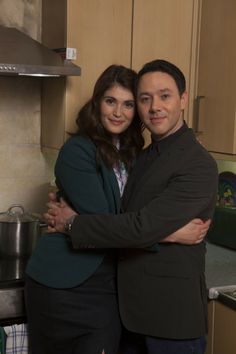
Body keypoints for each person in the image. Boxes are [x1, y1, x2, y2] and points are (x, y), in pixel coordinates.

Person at [25, 63, 208, 354]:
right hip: (65, 286)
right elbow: (109, 221)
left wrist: (75, 222)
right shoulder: (77, 151)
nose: (118, 112)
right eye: (110, 101)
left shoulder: (136, 154)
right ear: (96, 103)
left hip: (111, 289)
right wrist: (169, 233)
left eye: (129, 104)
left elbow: (130, 221)